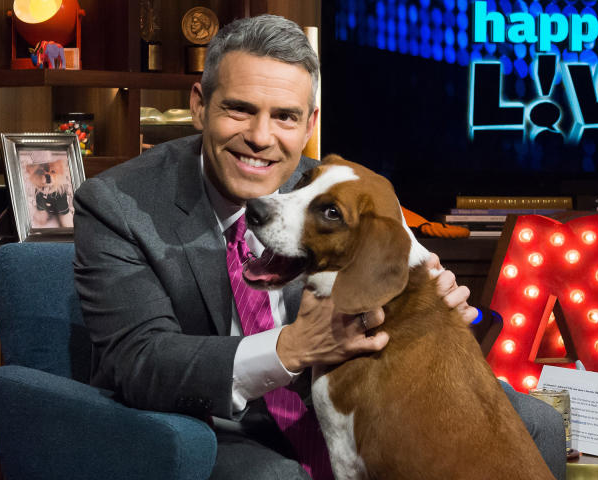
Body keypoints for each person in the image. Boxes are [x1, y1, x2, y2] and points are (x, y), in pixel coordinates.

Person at [73, 14, 565, 480]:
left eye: (285, 116)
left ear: (310, 123)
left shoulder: (337, 185)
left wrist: (434, 309)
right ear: (200, 105)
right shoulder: (119, 205)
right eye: (240, 109)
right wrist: (289, 348)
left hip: (342, 402)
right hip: (212, 427)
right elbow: (138, 360)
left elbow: (402, 293)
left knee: (536, 424)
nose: (260, 137)